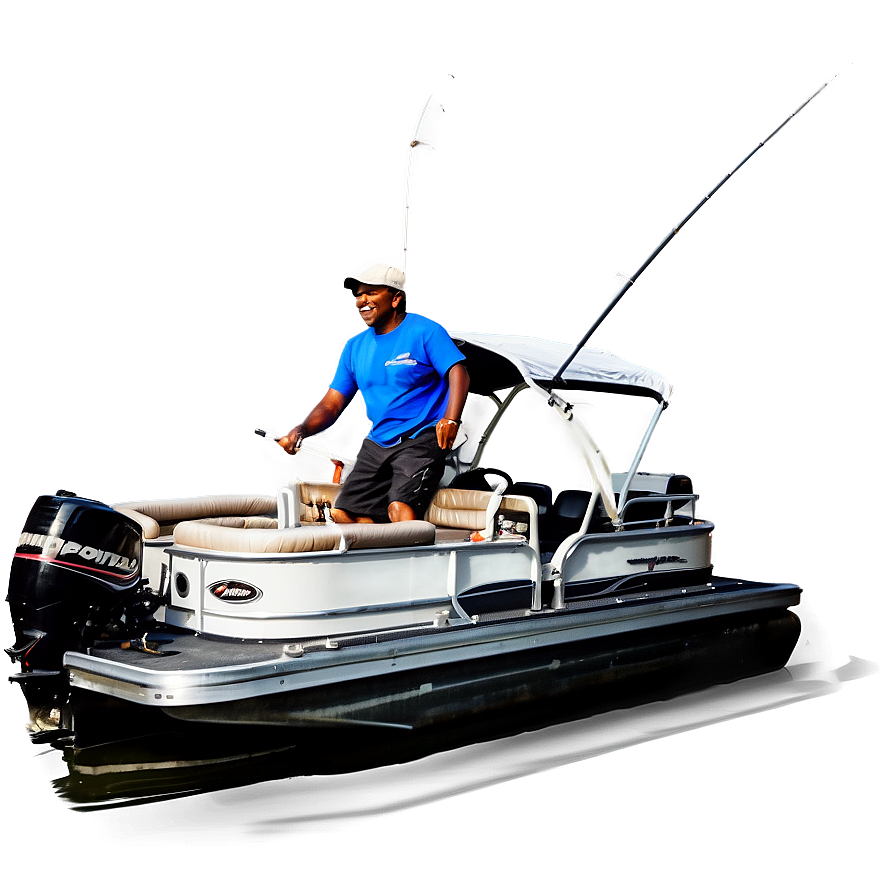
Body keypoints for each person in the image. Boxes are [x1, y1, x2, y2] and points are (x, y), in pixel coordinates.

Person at [280, 261, 469, 524]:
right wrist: (301, 430)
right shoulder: (354, 347)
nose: (362, 301)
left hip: (420, 438)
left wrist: (451, 419)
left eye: (371, 292)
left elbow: (458, 371)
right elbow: (333, 403)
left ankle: (413, 562)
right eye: (358, 294)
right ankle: (372, 561)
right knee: (343, 514)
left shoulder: (425, 331)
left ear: (396, 298)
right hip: (377, 442)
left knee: (398, 509)